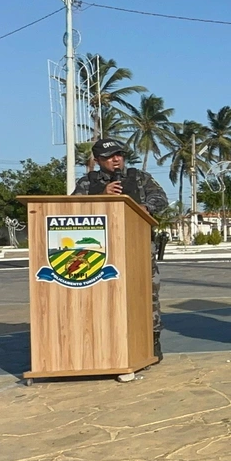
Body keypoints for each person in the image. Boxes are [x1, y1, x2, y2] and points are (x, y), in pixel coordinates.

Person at [71, 138, 170, 366]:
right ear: (97, 161)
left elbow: (160, 198)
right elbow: (72, 207)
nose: (116, 160)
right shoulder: (88, 183)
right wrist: (100, 194)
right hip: (101, 251)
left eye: (119, 155)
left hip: (138, 247)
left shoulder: (138, 178)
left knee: (148, 293)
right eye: (109, 157)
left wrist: (145, 208)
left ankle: (152, 339)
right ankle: (105, 342)